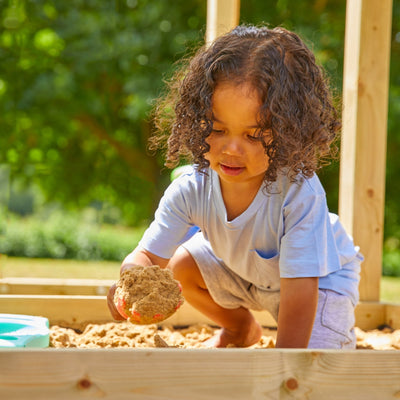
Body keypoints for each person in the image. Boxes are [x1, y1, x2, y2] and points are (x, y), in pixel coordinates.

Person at [107, 25, 363, 349]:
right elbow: (146, 256)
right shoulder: (192, 188)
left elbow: (301, 289)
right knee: (181, 267)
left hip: (320, 282)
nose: (231, 149)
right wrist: (130, 282)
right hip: (252, 277)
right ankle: (241, 328)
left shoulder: (299, 192)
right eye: (217, 129)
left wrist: (286, 367)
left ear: (289, 132)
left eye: (253, 135)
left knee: (319, 363)